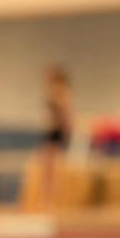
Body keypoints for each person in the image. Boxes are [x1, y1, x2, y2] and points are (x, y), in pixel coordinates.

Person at [32, 65, 73, 212]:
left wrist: (67, 132)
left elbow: (66, 114)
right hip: (50, 131)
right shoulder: (53, 92)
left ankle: (51, 200)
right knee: (46, 168)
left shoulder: (61, 92)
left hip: (55, 132)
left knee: (52, 168)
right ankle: (46, 199)